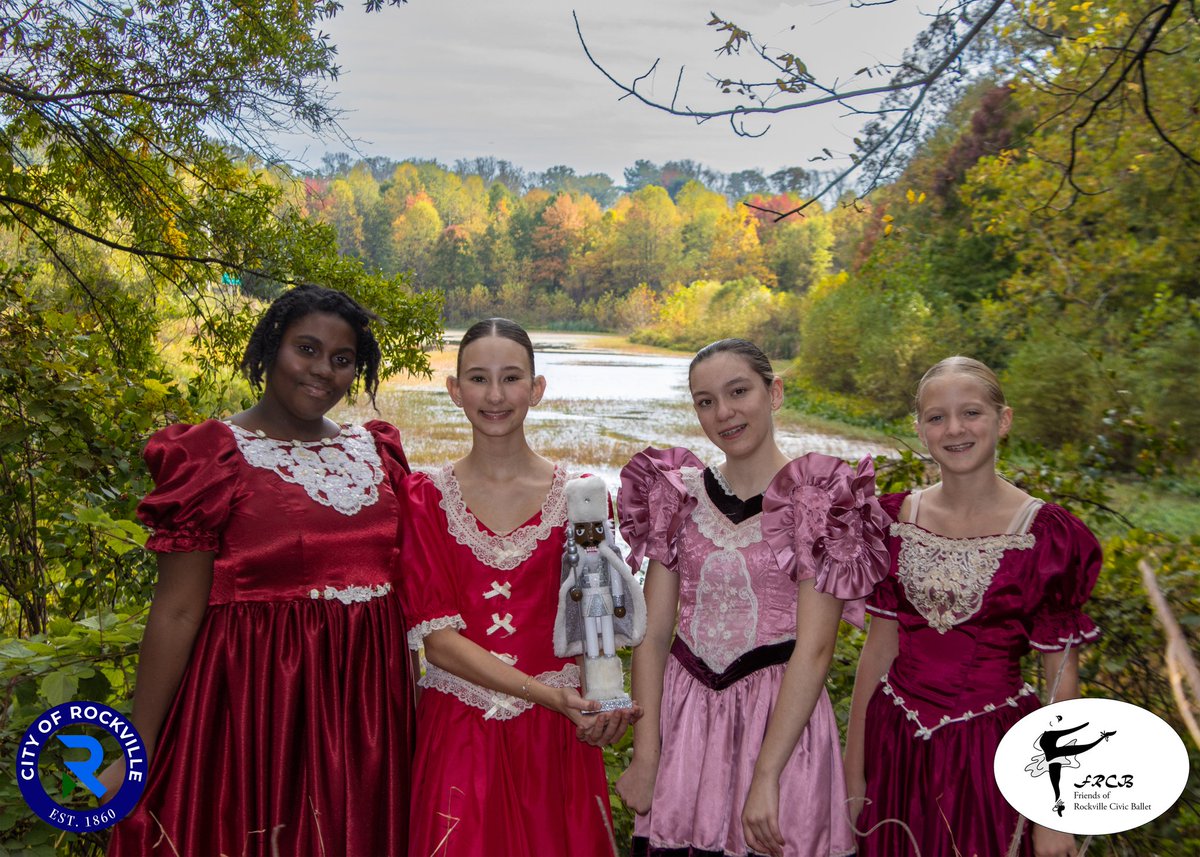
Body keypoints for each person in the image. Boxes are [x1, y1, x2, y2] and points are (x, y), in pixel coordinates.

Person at [105, 285, 416, 855]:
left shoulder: (377, 453)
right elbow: (177, 611)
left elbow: (412, 596)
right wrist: (137, 745)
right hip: (256, 706)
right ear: (272, 347)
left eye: (342, 359)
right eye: (307, 349)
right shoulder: (212, 456)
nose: (323, 370)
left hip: (368, 715)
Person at [616, 338, 890, 857]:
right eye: (705, 401)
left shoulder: (819, 501)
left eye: (738, 391)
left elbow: (815, 649)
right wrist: (647, 754)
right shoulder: (677, 495)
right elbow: (652, 636)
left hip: (780, 728)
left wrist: (766, 775)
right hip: (686, 727)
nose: (723, 412)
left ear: (774, 392)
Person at [844, 356, 1102, 857]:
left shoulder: (1046, 535)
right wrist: (854, 773)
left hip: (993, 752)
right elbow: (877, 654)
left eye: (971, 413)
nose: (954, 429)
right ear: (920, 429)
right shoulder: (892, 520)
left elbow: (1061, 683)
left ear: (1003, 420)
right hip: (896, 745)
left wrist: (1054, 813)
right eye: (936, 417)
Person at [400, 318, 637, 857]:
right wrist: (549, 695)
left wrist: (607, 704)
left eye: (511, 378)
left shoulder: (583, 499)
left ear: (536, 388)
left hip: (554, 737)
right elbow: (438, 642)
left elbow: (596, 627)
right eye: (478, 379)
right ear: (455, 390)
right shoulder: (424, 498)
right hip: (460, 731)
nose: (495, 395)